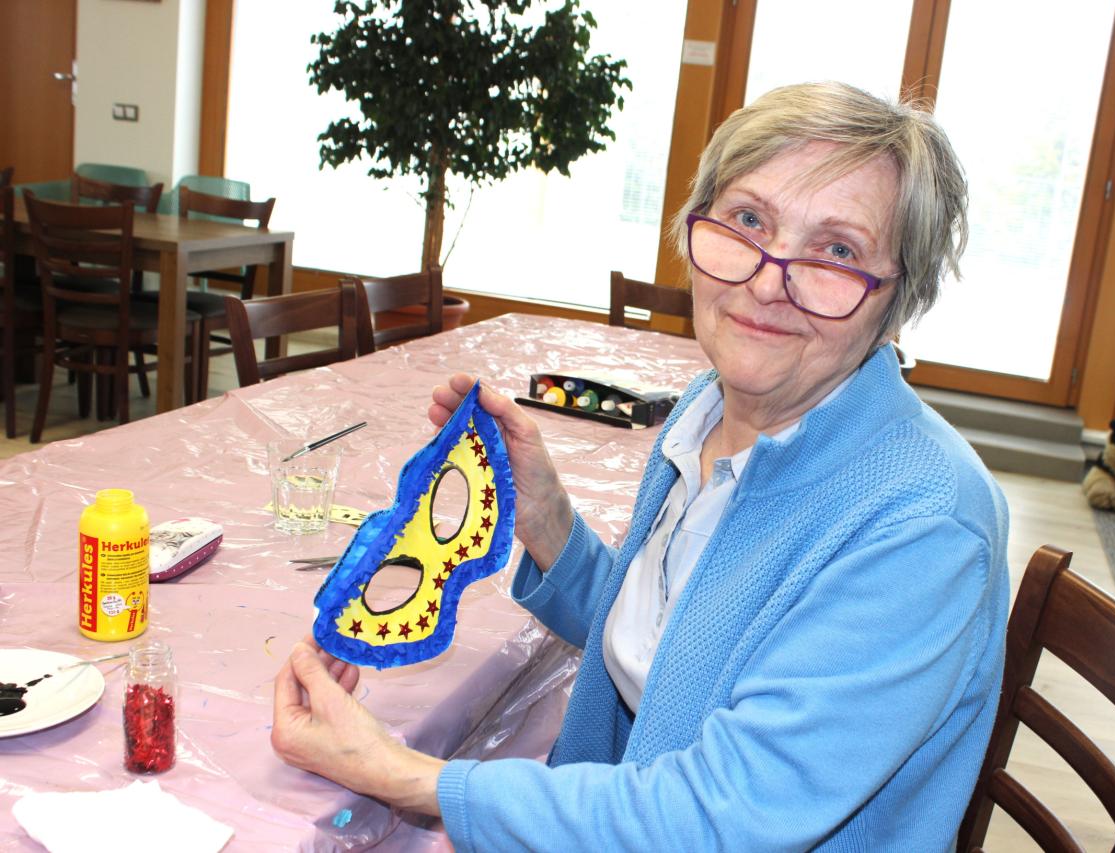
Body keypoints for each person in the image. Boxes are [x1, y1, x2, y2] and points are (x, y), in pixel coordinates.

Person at [272, 81, 1009, 851]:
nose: (767, 280)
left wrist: (400, 770)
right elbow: (672, 653)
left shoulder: (923, 525)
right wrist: (548, 520)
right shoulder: (708, 411)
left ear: (896, 300)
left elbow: (720, 818)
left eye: (837, 251)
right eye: (749, 220)